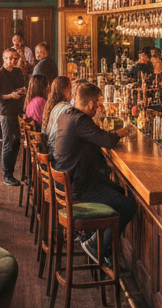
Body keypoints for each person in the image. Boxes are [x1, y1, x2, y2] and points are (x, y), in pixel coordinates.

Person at [52, 81, 137, 266]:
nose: (99, 107)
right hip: (78, 186)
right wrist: (122, 131)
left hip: (68, 179)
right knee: (129, 205)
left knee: (118, 190)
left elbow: (95, 136)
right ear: (91, 104)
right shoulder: (81, 120)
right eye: (98, 104)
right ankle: (96, 247)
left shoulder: (67, 113)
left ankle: (94, 236)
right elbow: (106, 140)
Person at [0, 47, 27, 186]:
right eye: (10, 58)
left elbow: (20, 86)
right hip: (6, 112)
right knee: (8, 144)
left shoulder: (18, 72)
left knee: (17, 143)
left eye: (15, 58)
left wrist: (22, 91)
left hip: (19, 111)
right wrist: (9, 95)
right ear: (4, 59)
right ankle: (6, 175)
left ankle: (11, 173)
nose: (13, 61)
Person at [42, 75, 72, 143]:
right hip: (54, 147)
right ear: (66, 90)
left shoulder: (50, 103)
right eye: (70, 88)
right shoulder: (63, 108)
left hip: (47, 145)